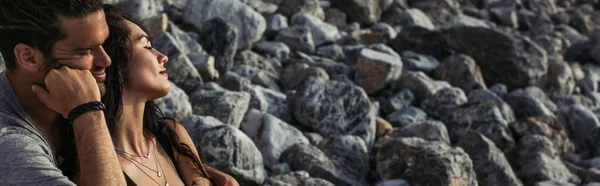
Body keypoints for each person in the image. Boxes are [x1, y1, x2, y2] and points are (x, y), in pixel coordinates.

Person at [99, 5, 239, 186]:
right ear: (114, 62)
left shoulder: (171, 136)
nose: (163, 56)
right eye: (147, 46)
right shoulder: (100, 168)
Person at [0, 0, 125, 185]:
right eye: (84, 51)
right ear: (29, 57)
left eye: (102, 44)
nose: (105, 61)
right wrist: (88, 111)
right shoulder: (8, 145)